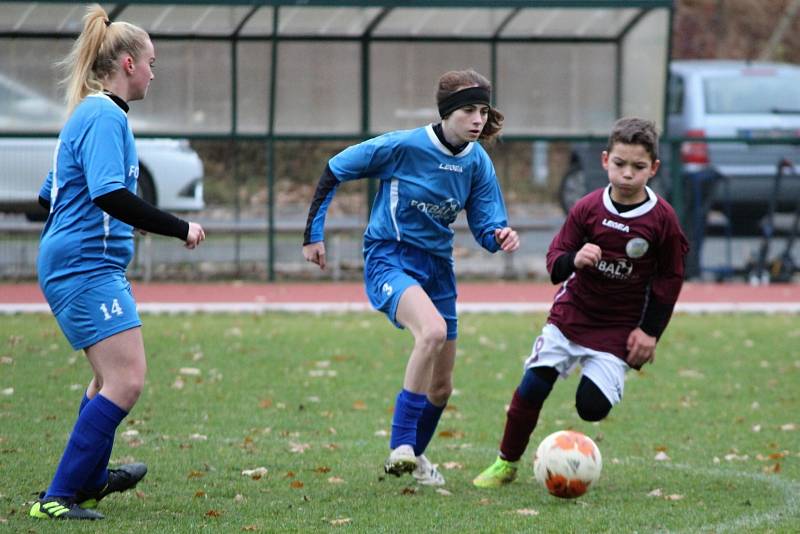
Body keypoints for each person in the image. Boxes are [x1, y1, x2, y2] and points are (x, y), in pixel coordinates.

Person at [303, 68, 519, 486]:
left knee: (442, 388)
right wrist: (313, 235)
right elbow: (335, 169)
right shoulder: (403, 146)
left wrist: (499, 234)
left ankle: (414, 458)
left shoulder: (477, 162)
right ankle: (400, 446)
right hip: (391, 259)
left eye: (483, 111)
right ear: (447, 111)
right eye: (469, 110)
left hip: (438, 270)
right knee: (432, 331)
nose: (478, 119)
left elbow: (486, 223)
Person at [30, 4, 205, 520]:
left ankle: (88, 480)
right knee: (127, 380)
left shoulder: (89, 113)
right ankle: (58, 499)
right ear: (128, 63)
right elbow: (108, 193)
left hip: (88, 262)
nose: (154, 71)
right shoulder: (104, 115)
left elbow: (50, 197)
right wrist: (179, 227)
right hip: (84, 266)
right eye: (152, 61)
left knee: (109, 380)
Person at [473, 117, 688, 488]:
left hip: (619, 326)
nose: (626, 175)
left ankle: (576, 435)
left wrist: (650, 332)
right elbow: (555, 262)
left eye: (638, 167)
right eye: (619, 164)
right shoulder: (587, 208)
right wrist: (575, 258)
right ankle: (506, 463)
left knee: (591, 408)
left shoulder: (662, 219)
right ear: (605, 160)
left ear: (653, 168)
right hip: (572, 315)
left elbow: (670, 278)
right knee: (533, 386)